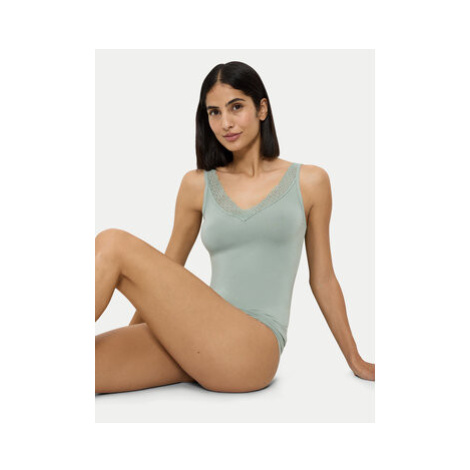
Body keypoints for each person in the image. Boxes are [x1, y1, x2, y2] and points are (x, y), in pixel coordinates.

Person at [95, 61, 375, 395]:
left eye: (236, 107)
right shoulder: (197, 185)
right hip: (201, 339)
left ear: (262, 109)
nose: (225, 122)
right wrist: (134, 334)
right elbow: (163, 273)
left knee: (112, 243)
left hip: (254, 348)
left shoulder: (310, 181)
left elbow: (323, 279)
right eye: (214, 112)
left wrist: (355, 359)